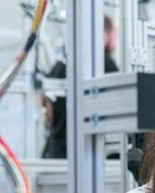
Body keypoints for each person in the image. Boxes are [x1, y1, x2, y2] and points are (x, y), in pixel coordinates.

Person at [40, 15, 119, 158]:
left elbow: (45, 109)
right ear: (104, 35)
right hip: (85, 153)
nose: (116, 42)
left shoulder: (60, 66)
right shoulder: (105, 64)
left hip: (54, 153)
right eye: (115, 35)